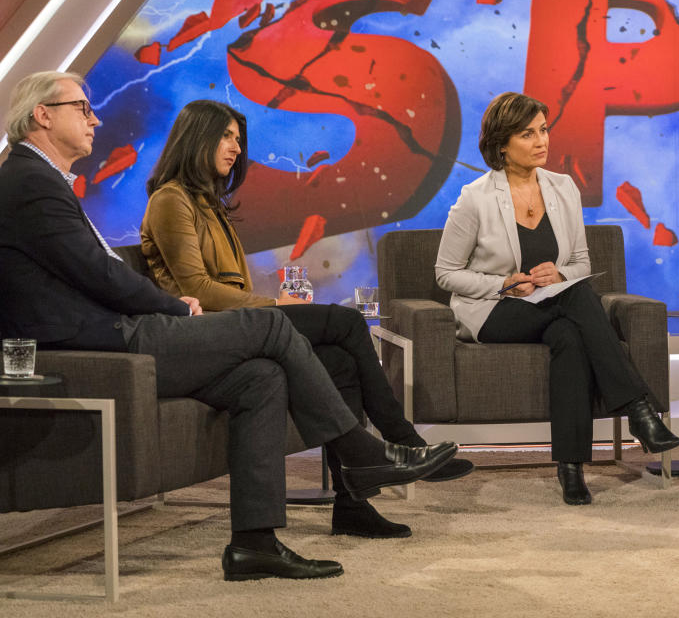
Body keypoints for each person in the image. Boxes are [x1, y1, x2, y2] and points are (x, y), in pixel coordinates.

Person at [0, 71, 459, 581]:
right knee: (274, 329)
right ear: (42, 114)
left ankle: (253, 543)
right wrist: (176, 309)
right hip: (105, 343)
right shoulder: (29, 181)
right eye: (83, 108)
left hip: (117, 331)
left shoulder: (43, 181)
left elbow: (91, 271)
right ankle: (363, 450)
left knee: (261, 377)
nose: (95, 117)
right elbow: (100, 273)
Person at [139, 100, 473, 539]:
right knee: (347, 323)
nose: (236, 148)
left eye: (239, 139)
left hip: (237, 323)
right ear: (195, 137)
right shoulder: (170, 200)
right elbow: (198, 290)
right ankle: (401, 439)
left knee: (340, 359)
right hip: (204, 333)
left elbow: (231, 291)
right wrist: (276, 308)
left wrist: (269, 306)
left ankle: (352, 505)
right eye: (225, 137)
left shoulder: (209, 204)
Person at [434, 91, 679, 505]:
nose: (541, 141)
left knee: (569, 331)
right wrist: (503, 284)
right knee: (578, 300)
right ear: (501, 145)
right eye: (528, 134)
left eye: (544, 130)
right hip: (495, 311)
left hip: (552, 306)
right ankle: (638, 409)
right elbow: (446, 274)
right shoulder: (474, 198)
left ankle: (571, 468)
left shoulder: (563, 188)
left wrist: (561, 273)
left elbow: (581, 261)